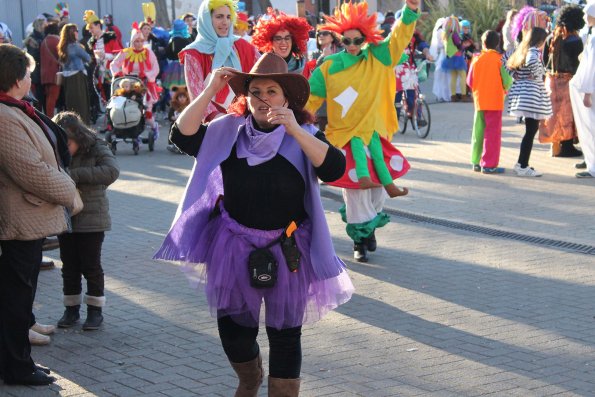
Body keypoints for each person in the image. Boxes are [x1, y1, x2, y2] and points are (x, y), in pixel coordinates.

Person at [154, 53, 353, 396]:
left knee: (286, 334)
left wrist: (295, 130)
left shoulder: (304, 134)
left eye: (272, 91)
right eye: (256, 91)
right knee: (234, 332)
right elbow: (182, 136)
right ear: (245, 98)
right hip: (233, 245)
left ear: (287, 98)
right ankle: (249, 377)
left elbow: (334, 168)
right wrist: (209, 89)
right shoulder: (227, 131)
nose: (263, 99)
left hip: (289, 250)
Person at [307, 0, 419, 262]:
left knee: (378, 189)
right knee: (356, 191)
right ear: (340, 41)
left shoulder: (379, 58)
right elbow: (309, 99)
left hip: (376, 135)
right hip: (345, 138)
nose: (353, 46)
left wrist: (410, 10)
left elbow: (398, 39)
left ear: (366, 38)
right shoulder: (329, 66)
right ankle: (360, 239)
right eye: (347, 41)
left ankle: (368, 228)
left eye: (358, 40)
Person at [0, 43, 78, 386]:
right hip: (18, 221)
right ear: (16, 79)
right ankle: (17, 367)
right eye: (28, 73)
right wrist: (69, 192)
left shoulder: (13, 109)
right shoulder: (4, 116)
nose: (31, 78)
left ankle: (18, 362)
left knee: (20, 296)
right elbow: (29, 169)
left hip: (27, 217)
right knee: (15, 299)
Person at [52, 111, 119, 330]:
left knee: (91, 267)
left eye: (67, 143)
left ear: (78, 136)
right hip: (66, 217)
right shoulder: (56, 150)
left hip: (92, 218)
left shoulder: (96, 146)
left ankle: (95, 311)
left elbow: (111, 171)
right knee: (69, 267)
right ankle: (71, 310)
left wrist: (74, 174)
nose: (65, 148)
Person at [180, 0, 259, 121]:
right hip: (212, 126)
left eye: (228, 17)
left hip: (248, 121)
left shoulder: (244, 46)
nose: (225, 22)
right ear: (206, 19)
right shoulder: (193, 53)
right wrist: (219, 120)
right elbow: (196, 94)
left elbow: (263, 77)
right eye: (219, 17)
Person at [540, 5, 585, 157]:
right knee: (567, 116)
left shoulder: (550, 38)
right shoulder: (575, 41)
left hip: (551, 81)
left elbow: (544, 61)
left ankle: (555, 145)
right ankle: (566, 147)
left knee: (553, 115)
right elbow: (578, 64)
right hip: (567, 82)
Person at [506, 27, 552, 177]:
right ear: (540, 40)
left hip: (524, 94)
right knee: (530, 131)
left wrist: (517, 75)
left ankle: (521, 163)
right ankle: (522, 165)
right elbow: (533, 64)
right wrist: (539, 73)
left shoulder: (522, 50)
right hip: (531, 96)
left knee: (530, 131)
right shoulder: (533, 52)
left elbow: (506, 60)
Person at [467, 30, 513, 174]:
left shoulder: (476, 59)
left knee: (478, 131)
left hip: (479, 101)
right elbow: (507, 81)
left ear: (483, 43)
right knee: (492, 134)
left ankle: (475, 161)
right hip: (494, 101)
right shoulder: (499, 60)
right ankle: (488, 164)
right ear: (497, 43)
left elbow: (470, 81)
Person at [110, 24, 160, 136]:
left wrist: (147, 74)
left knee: (147, 110)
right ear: (132, 42)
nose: (139, 43)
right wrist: (117, 73)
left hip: (144, 84)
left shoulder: (148, 53)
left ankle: (154, 126)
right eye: (136, 41)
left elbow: (155, 68)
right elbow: (114, 64)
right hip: (127, 82)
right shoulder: (126, 52)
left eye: (141, 41)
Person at [570, 1, 595, 178]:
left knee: (590, 127)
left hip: (590, 89)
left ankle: (592, 165)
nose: (585, 17)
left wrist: (587, 92)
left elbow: (592, 67)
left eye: (587, 14)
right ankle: (589, 160)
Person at [251, 8, 311, 74]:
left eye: (287, 38)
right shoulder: (262, 67)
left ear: (293, 41)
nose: (283, 42)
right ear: (271, 42)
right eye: (278, 39)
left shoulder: (303, 67)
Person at [84, 10, 122, 102]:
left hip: (112, 73)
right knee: (105, 98)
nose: (90, 31)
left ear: (98, 25)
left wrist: (104, 55)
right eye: (89, 29)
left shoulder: (110, 38)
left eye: (91, 28)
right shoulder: (92, 43)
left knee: (114, 97)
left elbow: (118, 55)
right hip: (101, 75)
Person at [58, 23, 92, 124]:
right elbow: (88, 58)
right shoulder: (75, 47)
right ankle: (83, 126)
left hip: (67, 78)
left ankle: (72, 125)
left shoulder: (63, 47)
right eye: (76, 31)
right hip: (77, 78)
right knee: (81, 105)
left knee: (71, 104)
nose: (77, 33)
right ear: (72, 33)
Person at [442, 16, 471, 102]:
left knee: (453, 77)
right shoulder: (454, 34)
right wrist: (465, 45)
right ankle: (463, 95)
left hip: (449, 57)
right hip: (457, 56)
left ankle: (453, 95)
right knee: (463, 75)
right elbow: (459, 45)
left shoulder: (445, 35)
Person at [24, 16, 47, 111]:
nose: (45, 27)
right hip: (37, 72)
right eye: (44, 25)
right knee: (39, 97)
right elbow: (33, 56)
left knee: (42, 96)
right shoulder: (33, 39)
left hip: (40, 70)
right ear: (40, 26)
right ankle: (39, 116)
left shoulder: (41, 36)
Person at [163, 19, 192, 90]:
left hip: (172, 67)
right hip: (184, 66)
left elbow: (167, 53)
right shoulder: (185, 40)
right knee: (186, 87)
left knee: (174, 88)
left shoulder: (172, 39)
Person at [40, 22, 61, 117]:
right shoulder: (56, 40)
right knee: (53, 98)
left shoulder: (44, 41)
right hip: (54, 73)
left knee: (48, 97)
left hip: (44, 74)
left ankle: (49, 117)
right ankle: (50, 119)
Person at [430, 17, 451, 102]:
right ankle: (441, 94)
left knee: (446, 76)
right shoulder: (440, 32)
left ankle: (446, 94)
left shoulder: (448, 32)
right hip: (443, 54)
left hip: (447, 54)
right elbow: (438, 45)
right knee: (442, 75)